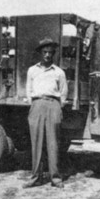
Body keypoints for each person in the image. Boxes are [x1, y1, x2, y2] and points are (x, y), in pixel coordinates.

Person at [23, 38, 68, 188]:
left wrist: (57, 107)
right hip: (37, 105)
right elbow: (28, 89)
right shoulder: (32, 70)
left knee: (53, 143)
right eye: (45, 52)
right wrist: (34, 104)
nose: (47, 55)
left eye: (50, 52)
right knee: (36, 143)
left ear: (54, 54)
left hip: (53, 105)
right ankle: (35, 177)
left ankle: (55, 178)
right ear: (40, 53)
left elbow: (63, 92)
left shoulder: (59, 72)